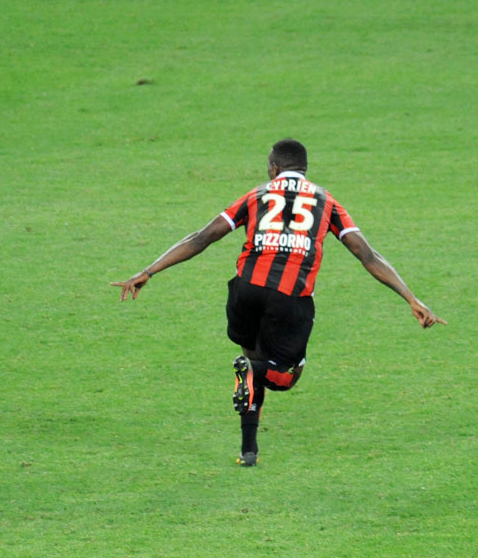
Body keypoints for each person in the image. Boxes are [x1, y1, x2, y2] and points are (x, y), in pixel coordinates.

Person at [111, 139, 445, 466]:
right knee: (284, 376)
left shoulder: (256, 195)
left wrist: (148, 271)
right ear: (305, 169)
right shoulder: (327, 202)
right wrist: (411, 298)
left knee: (252, 368)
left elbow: (202, 237)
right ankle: (258, 374)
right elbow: (367, 254)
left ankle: (249, 450)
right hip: (289, 299)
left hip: (246, 291)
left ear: (274, 168)